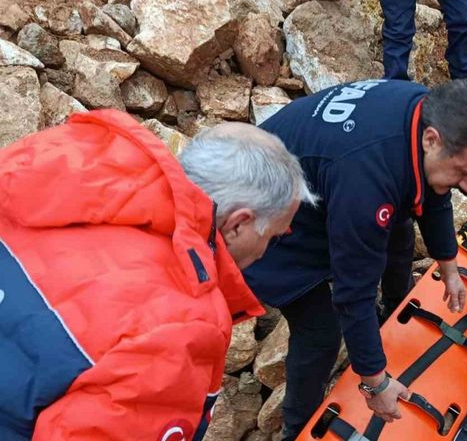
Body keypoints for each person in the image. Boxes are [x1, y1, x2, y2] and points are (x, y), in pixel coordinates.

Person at [0, 110, 313, 440]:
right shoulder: (177, 330)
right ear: (237, 224)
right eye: (273, 235)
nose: (267, 250)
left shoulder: (44, 178)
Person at [243, 76, 467, 440]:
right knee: (321, 333)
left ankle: (394, 306)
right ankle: (299, 428)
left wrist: (448, 264)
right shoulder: (368, 183)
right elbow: (352, 293)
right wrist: (374, 382)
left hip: (314, 177)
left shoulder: (430, 110)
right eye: (465, 174)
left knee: (399, 227)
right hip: (259, 219)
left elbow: (433, 193)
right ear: (432, 140)